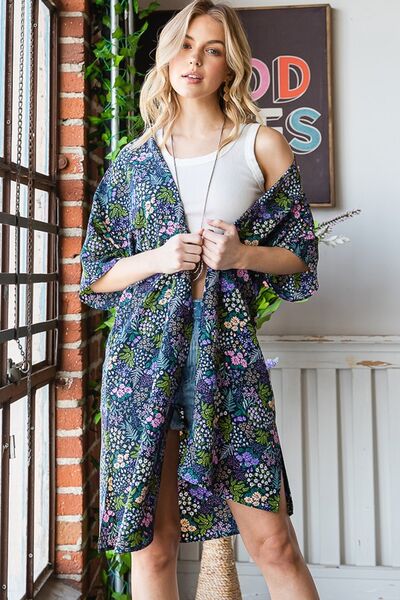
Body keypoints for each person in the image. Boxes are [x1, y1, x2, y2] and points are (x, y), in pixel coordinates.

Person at [79, 1, 320, 598]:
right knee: (154, 548)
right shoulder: (135, 160)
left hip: (226, 361)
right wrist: (159, 258)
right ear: (166, 58)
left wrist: (242, 254)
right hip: (141, 364)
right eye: (185, 46)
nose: (195, 61)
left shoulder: (260, 145)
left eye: (212, 50)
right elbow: (95, 274)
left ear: (230, 65)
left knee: (274, 544)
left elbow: (300, 257)